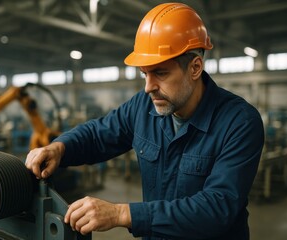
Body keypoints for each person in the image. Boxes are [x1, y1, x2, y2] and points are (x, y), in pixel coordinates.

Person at [25, 2, 264, 240]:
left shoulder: (239, 123)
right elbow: (98, 134)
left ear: (195, 68)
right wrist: (60, 147)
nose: (149, 87)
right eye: (144, 74)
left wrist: (121, 213)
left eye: (160, 73)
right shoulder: (143, 106)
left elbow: (216, 208)